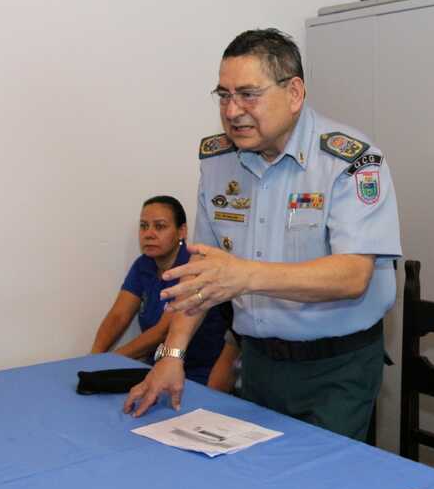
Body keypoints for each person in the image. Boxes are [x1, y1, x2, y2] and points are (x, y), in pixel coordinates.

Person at [123, 29, 402, 441]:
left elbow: (352, 275)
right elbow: (204, 273)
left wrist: (246, 275)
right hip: (256, 364)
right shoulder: (220, 162)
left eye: (248, 95)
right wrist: (172, 354)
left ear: (294, 93)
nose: (233, 111)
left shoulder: (351, 160)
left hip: (335, 369)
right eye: (223, 96)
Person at [91, 195, 227, 385]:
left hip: (199, 376)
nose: (149, 233)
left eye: (160, 226)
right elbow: (118, 316)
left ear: (182, 232)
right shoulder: (143, 265)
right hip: (153, 371)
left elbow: (163, 332)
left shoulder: (193, 268)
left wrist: (109, 361)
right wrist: (93, 357)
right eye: (144, 226)